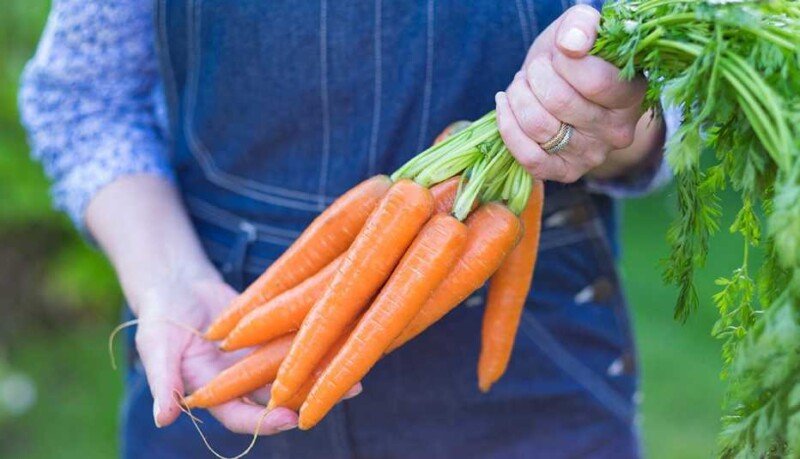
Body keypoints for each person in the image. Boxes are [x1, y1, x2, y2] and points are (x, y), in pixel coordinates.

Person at [20, 1, 675, 457]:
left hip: (533, 380)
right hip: (215, 351)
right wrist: (168, 278)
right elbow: (84, 98)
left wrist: (612, 120)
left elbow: (681, 99)